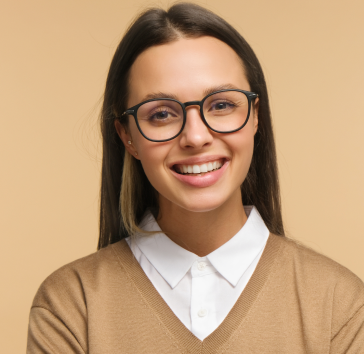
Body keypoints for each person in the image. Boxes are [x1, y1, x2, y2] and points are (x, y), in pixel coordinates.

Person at [27, 3, 364, 353]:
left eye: (220, 105)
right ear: (127, 136)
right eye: (161, 114)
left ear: (254, 117)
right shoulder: (70, 306)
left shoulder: (339, 306)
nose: (196, 137)